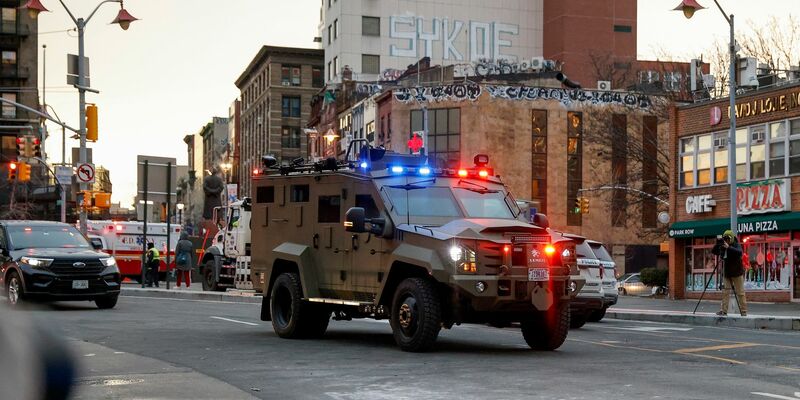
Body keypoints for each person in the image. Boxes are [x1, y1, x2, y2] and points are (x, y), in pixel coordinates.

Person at [714, 230, 747, 317]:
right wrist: (718, 243)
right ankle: (723, 310)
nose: (727, 240)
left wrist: (729, 247)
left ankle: (743, 311)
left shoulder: (736, 244)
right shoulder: (723, 245)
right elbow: (714, 252)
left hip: (737, 272)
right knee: (725, 292)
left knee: (740, 292)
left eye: (728, 238)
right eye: (725, 239)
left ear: (731, 238)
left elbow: (739, 252)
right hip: (727, 273)